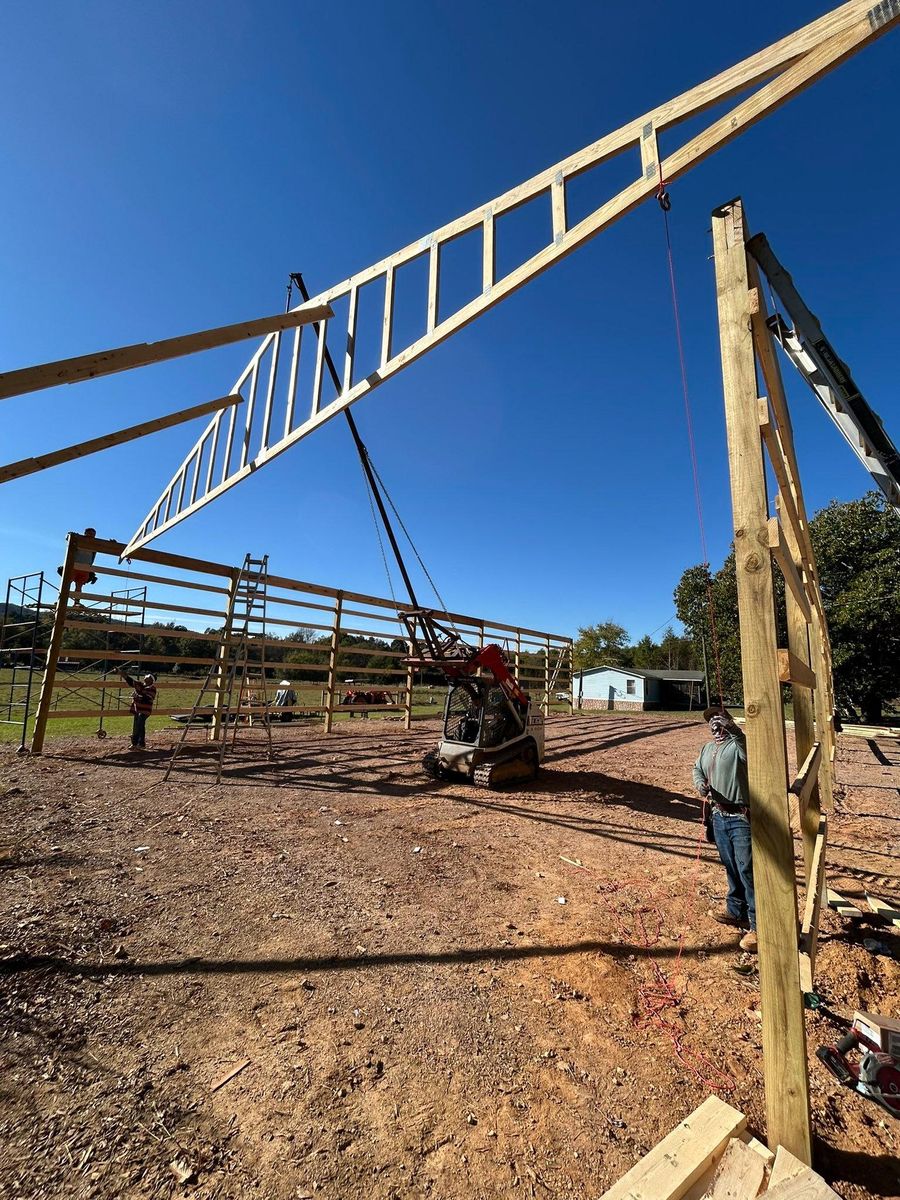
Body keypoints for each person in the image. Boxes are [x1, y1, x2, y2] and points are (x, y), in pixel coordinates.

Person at [693, 706, 757, 953]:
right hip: (718, 815)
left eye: (720, 721)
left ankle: (757, 925)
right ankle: (735, 910)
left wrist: (733, 727)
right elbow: (697, 768)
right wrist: (699, 783)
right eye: (712, 722)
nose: (715, 726)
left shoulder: (737, 746)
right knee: (730, 865)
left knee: (747, 868)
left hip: (739, 817)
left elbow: (746, 747)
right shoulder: (708, 748)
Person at [119, 667, 157, 750]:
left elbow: (147, 698)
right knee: (136, 726)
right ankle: (135, 743)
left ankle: (141, 743)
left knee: (140, 724)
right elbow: (131, 681)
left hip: (144, 710)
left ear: (151, 680)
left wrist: (137, 695)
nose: (145, 677)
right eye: (145, 677)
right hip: (138, 709)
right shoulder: (140, 686)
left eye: (147, 677)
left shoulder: (152, 689)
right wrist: (121, 673)